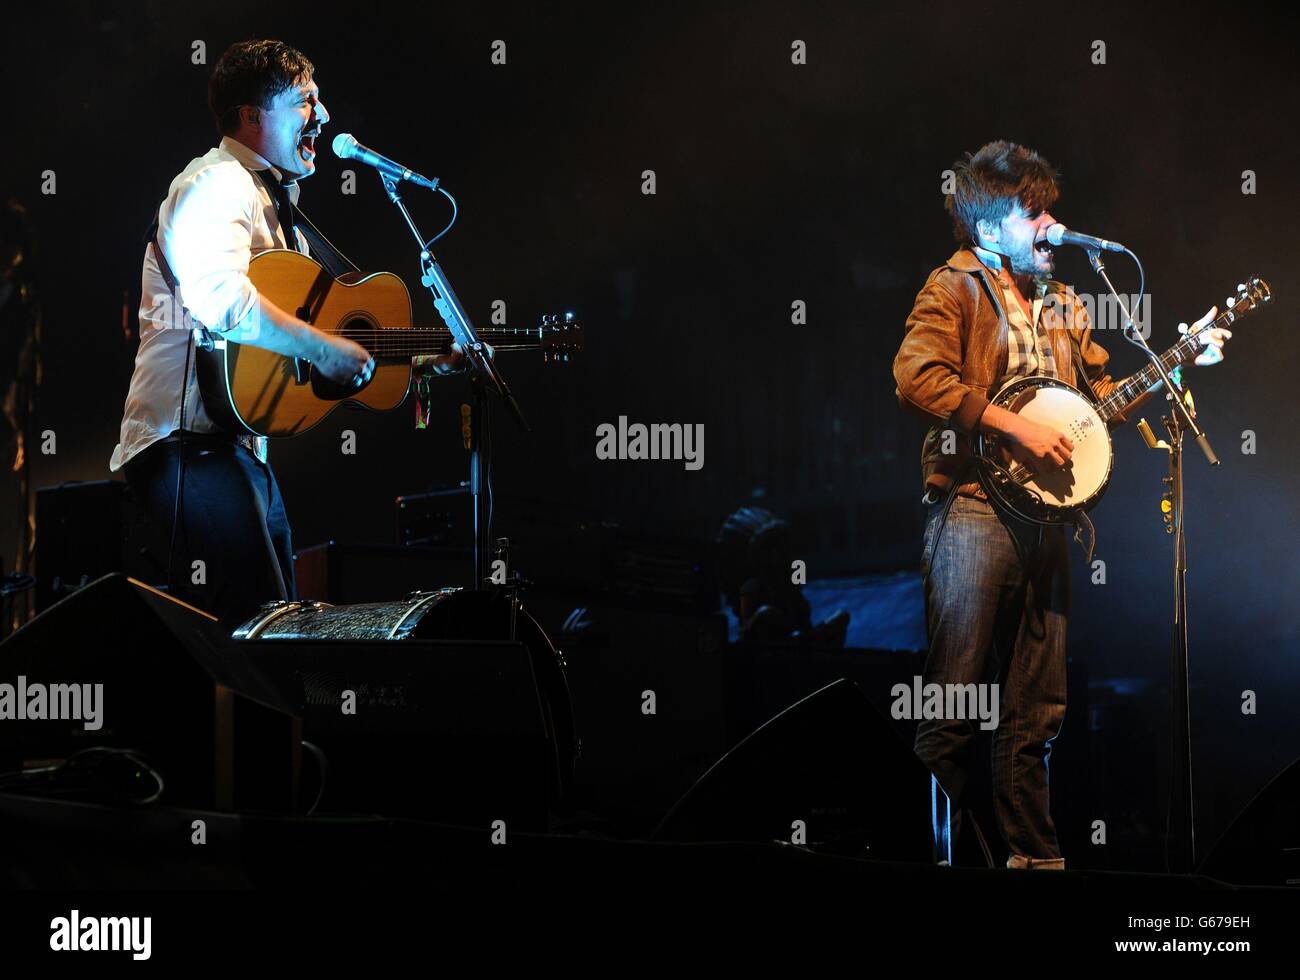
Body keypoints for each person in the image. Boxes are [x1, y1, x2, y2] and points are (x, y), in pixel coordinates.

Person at [892, 140, 1229, 869]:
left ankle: (1035, 861)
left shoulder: (1066, 302)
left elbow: (1103, 402)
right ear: (988, 229)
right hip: (977, 507)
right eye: (1033, 211)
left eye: (1051, 207)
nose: (1052, 223)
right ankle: (930, 863)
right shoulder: (954, 288)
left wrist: (1182, 360)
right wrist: (1015, 426)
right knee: (952, 707)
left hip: (1050, 519)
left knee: (1036, 710)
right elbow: (916, 377)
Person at [109, 39, 468, 626]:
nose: (323, 116)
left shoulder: (277, 205)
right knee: (260, 639)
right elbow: (220, 298)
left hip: (234, 451)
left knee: (277, 626)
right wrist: (323, 348)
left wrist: (422, 358)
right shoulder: (217, 183)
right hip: (183, 449)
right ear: (253, 117)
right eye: (305, 101)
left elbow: (309, 335)